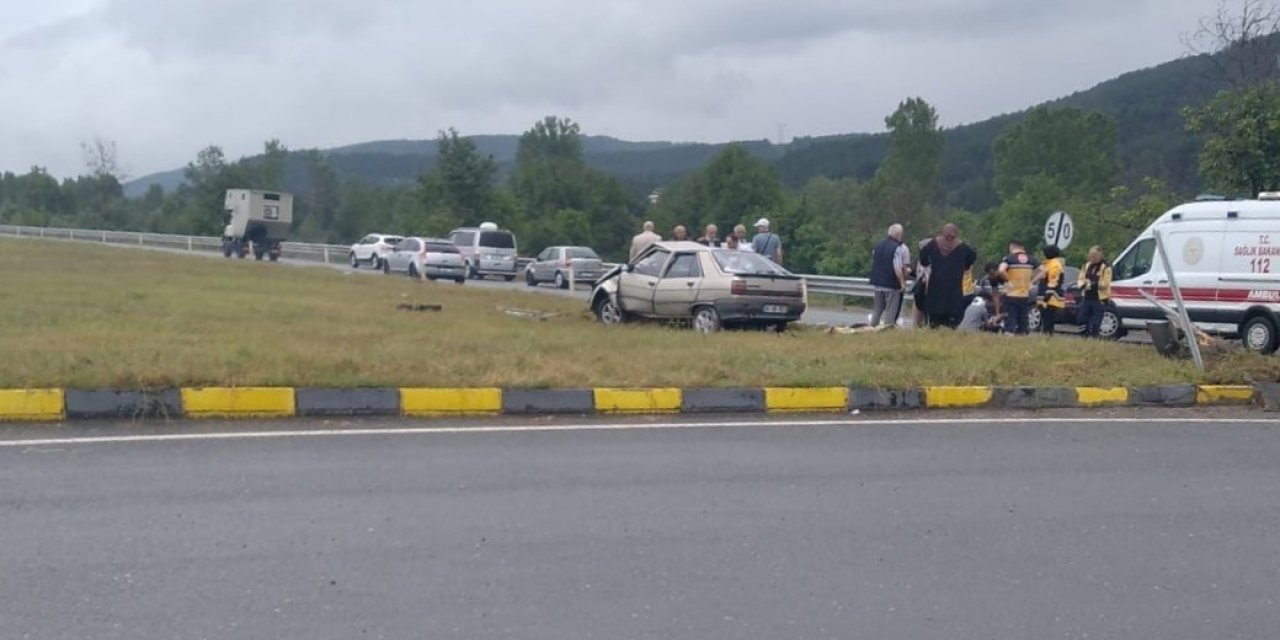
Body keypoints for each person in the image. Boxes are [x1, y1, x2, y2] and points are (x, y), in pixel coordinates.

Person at [918, 223, 977, 328]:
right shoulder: (962, 247)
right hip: (953, 284)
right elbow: (972, 257)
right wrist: (965, 266)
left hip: (936, 283)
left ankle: (934, 325)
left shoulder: (934, 243)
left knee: (935, 313)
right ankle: (950, 326)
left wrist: (928, 262)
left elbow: (923, 258)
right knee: (953, 313)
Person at [869, 223, 910, 327]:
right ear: (899, 235)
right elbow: (897, 267)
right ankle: (887, 328)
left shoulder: (877, 246)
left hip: (877, 283)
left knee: (877, 309)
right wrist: (902, 283)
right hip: (891, 284)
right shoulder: (897, 248)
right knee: (891, 309)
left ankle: (872, 327)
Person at [998, 240, 1038, 335]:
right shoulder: (1031, 259)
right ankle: (1022, 334)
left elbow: (1001, 270)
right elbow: (1043, 271)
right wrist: (1032, 280)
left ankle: (1009, 334)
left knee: (1010, 317)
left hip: (1011, 293)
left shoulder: (1009, 258)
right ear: (1022, 248)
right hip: (1025, 294)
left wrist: (1008, 281)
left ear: (1012, 247)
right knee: (1023, 317)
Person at [1077, 245, 1113, 337]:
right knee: (1081, 319)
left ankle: (1094, 339)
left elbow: (1106, 284)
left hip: (1099, 298)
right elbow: (1080, 279)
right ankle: (1084, 336)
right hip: (1087, 297)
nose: (1092, 257)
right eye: (1091, 255)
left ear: (1100, 255)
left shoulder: (1105, 267)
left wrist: (1093, 284)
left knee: (1096, 323)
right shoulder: (1086, 265)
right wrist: (1082, 284)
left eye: (1095, 256)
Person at [1035, 244, 1067, 335]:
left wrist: (1046, 298)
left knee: (1049, 318)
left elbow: (1053, 282)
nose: (1043, 255)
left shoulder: (1055, 265)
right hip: (1046, 296)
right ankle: (1046, 334)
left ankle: (1048, 335)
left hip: (1051, 297)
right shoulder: (1048, 263)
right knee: (1045, 318)